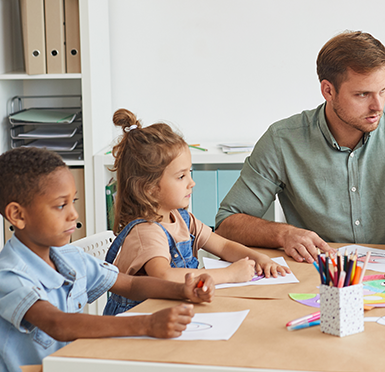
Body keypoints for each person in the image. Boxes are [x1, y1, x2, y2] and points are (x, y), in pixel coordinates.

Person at [0, 147, 213, 372]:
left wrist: (182, 290)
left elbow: (130, 284)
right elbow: (57, 324)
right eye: (60, 206)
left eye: (73, 202)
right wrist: (147, 324)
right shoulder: (9, 275)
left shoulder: (69, 258)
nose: (74, 214)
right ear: (18, 215)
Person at [215, 30, 385, 262]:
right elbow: (226, 223)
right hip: (319, 274)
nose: (378, 106)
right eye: (362, 94)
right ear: (328, 90)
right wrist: (283, 234)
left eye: (383, 91)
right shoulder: (282, 140)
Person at [104, 109, 290, 315]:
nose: (191, 183)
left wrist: (259, 258)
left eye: (189, 173)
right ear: (149, 187)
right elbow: (164, 276)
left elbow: (223, 245)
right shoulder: (147, 231)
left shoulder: (181, 218)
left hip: (168, 310)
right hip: (137, 318)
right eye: (181, 176)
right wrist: (229, 274)